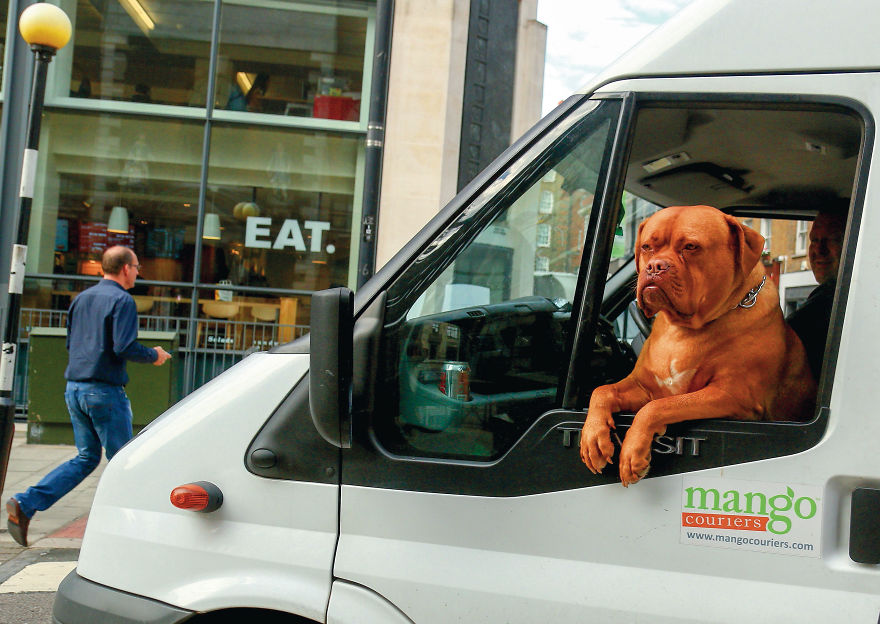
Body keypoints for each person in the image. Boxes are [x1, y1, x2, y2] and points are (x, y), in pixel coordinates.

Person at [6, 246, 171, 547]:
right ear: (124, 268)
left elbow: (72, 343)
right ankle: (131, 531)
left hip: (75, 389)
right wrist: (154, 355)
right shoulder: (122, 300)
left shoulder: (81, 299)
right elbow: (124, 346)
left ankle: (25, 503)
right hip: (104, 392)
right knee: (124, 461)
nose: (137, 272)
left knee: (86, 458)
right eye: (136, 266)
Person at [786, 210, 846, 380]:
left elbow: (778, 347)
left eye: (833, 239)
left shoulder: (832, 298)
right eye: (814, 240)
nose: (819, 249)